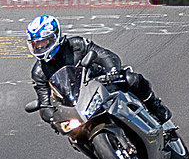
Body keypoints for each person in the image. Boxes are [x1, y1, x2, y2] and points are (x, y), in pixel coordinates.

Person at [26, 15, 172, 131]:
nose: (40, 47)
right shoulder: (39, 72)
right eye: (36, 44)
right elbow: (44, 103)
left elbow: (104, 55)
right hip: (75, 105)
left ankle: (156, 108)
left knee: (132, 79)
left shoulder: (76, 44)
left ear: (55, 36)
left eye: (43, 43)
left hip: (101, 83)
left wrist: (112, 70)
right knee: (72, 132)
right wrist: (52, 118)